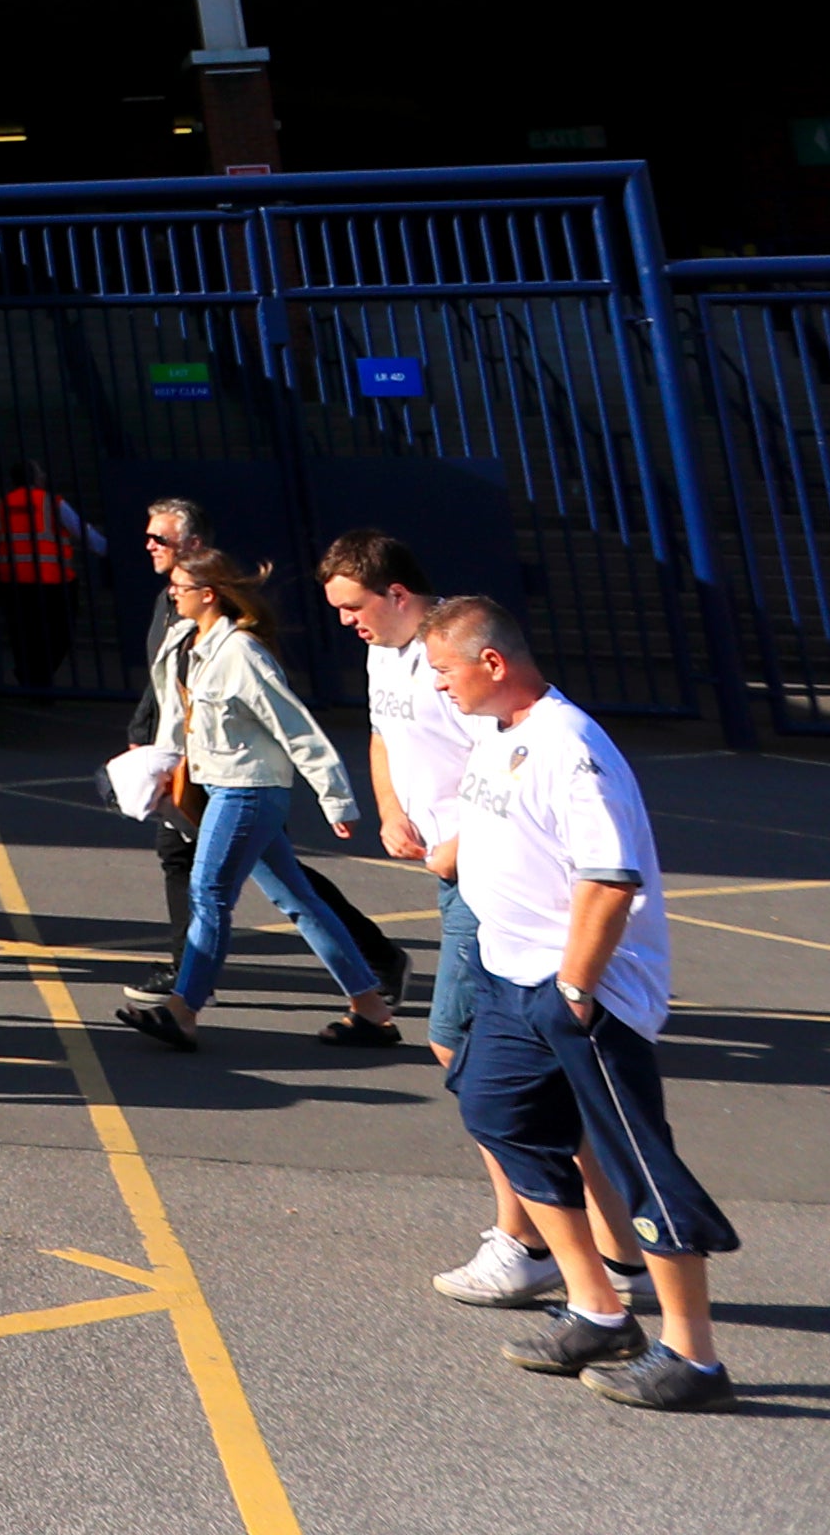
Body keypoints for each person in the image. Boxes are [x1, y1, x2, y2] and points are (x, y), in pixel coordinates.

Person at [427, 594, 734, 1409]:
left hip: (580, 991)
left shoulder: (570, 745)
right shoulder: (499, 735)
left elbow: (608, 876)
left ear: (492, 663)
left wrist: (575, 986)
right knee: (497, 1112)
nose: (439, 687)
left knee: (639, 1168)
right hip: (507, 979)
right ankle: (596, 1309)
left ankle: (694, 1357)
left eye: (445, 671)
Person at [324, 528, 568, 1309]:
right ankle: (574, 1229)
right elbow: (382, 734)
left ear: (397, 594)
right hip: (451, 868)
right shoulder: (383, 654)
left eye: (354, 607)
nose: (346, 623)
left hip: (482, 868)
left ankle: (527, 1238)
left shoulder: (452, 654)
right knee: (498, 1054)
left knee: (463, 1047)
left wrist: (462, 840)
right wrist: (393, 810)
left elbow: (506, 746)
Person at [115, 544, 397, 1051]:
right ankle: (373, 1012)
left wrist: (336, 799)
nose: (171, 595)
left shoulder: (242, 653)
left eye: (180, 587)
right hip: (220, 784)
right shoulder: (186, 642)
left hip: (249, 789)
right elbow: (179, 716)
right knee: (299, 900)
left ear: (209, 594)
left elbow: (296, 727)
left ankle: (183, 1011)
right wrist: (163, 765)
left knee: (209, 893)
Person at [0, 459, 102, 693]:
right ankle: (40, 679)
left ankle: (32, 679)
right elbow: (84, 533)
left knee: (24, 635)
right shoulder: (50, 502)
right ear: (36, 478)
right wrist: (110, 550)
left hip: (13, 581)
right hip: (53, 581)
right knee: (59, 633)